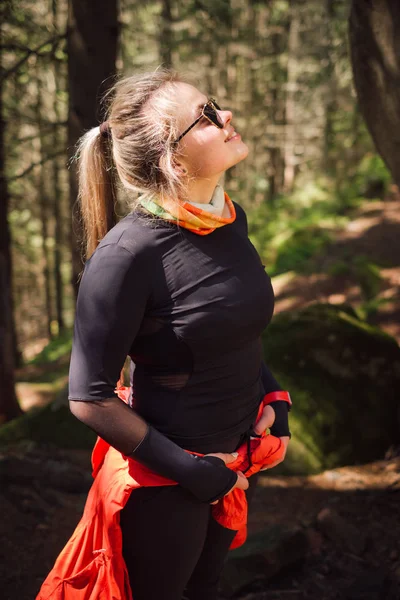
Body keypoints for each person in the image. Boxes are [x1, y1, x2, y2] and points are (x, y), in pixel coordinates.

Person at [67, 68, 291, 600]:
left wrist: (275, 399)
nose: (226, 115)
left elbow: (231, 331)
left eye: (214, 104)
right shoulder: (126, 257)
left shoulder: (229, 220)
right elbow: (89, 398)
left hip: (231, 464)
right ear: (174, 158)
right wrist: (192, 473)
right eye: (208, 115)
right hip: (163, 487)